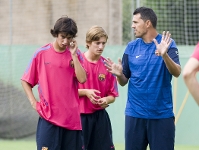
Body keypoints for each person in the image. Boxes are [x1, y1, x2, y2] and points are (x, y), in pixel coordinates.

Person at [105, 7, 181, 150]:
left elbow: (177, 72)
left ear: (147, 23)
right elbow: (123, 81)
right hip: (134, 116)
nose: (132, 26)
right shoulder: (131, 47)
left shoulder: (168, 43)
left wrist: (165, 55)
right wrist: (119, 74)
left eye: (135, 22)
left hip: (161, 116)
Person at [21, 16, 87, 150]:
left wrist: (74, 55)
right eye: (62, 36)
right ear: (56, 33)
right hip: (48, 120)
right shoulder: (41, 53)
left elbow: (82, 79)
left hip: (72, 120)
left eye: (69, 38)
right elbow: (25, 80)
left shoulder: (77, 54)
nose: (65, 41)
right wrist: (34, 102)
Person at [78, 25, 119, 150]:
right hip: (80, 117)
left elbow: (113, 95)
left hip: (100, 117)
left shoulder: (107, 65)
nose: (101, 47)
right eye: (97, 43)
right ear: (88, 43)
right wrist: (86, 92)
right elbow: (66, 91)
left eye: (103, 43)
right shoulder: (77, 62)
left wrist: (106, 100)